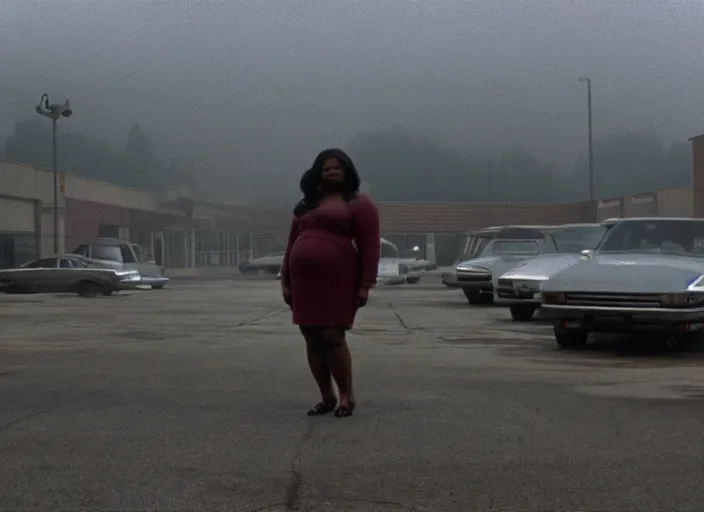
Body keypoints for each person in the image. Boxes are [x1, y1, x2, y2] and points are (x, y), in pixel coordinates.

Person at [280, 148, 380, 418]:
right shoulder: (306, 205)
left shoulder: (359, 204)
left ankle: (347, 396)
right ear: (317, 173)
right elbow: (291, 245)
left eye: (338, 167)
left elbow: (370, 246)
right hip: (303, 282)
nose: (332, 171)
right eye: (326, 168)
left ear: (347, 171)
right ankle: (326, 397)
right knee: (311, 338)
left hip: (340, 279)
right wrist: (285, 280)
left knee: (332, 336)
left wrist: (365, 284)